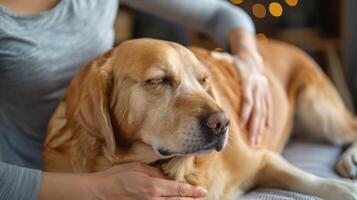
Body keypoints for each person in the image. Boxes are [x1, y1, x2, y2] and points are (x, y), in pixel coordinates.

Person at [0, 0, 272, 199]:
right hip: (34, 179)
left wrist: (250, 60)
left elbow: (220, 14)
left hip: (119, 158)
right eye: (159, 81)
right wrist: (100, 189)